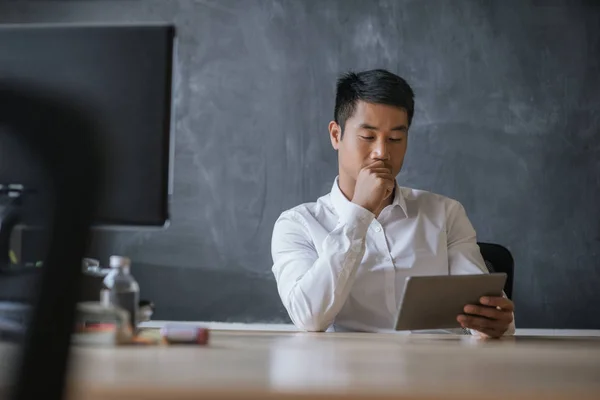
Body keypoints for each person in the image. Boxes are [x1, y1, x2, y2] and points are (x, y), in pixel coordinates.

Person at [271, 69, 515, 338]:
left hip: (438, 372)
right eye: (368, 137)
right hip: (347, 373)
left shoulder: (445, 214)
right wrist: (359, 213)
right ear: (336, 135)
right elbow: (309, 318)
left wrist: (493, 322)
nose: (382, 153)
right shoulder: (298, 225)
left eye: (396, 139)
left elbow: (481, 312)